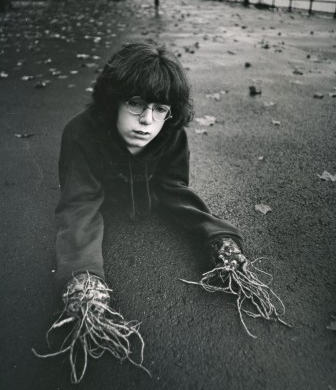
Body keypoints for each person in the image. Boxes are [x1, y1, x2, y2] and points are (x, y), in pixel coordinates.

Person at [35, 40, 286, 383]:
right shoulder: (81, 133)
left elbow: (174, 189)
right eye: (135, 103)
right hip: (101, 200)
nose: (146, 121)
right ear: (113, 100)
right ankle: (87, 295)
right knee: (82, 223)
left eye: (159, 108)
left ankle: (225, 250)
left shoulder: (170, 133)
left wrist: (218, 238)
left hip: (153, 196)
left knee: (188, 208)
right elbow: (79, 203)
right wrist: (84, 276)